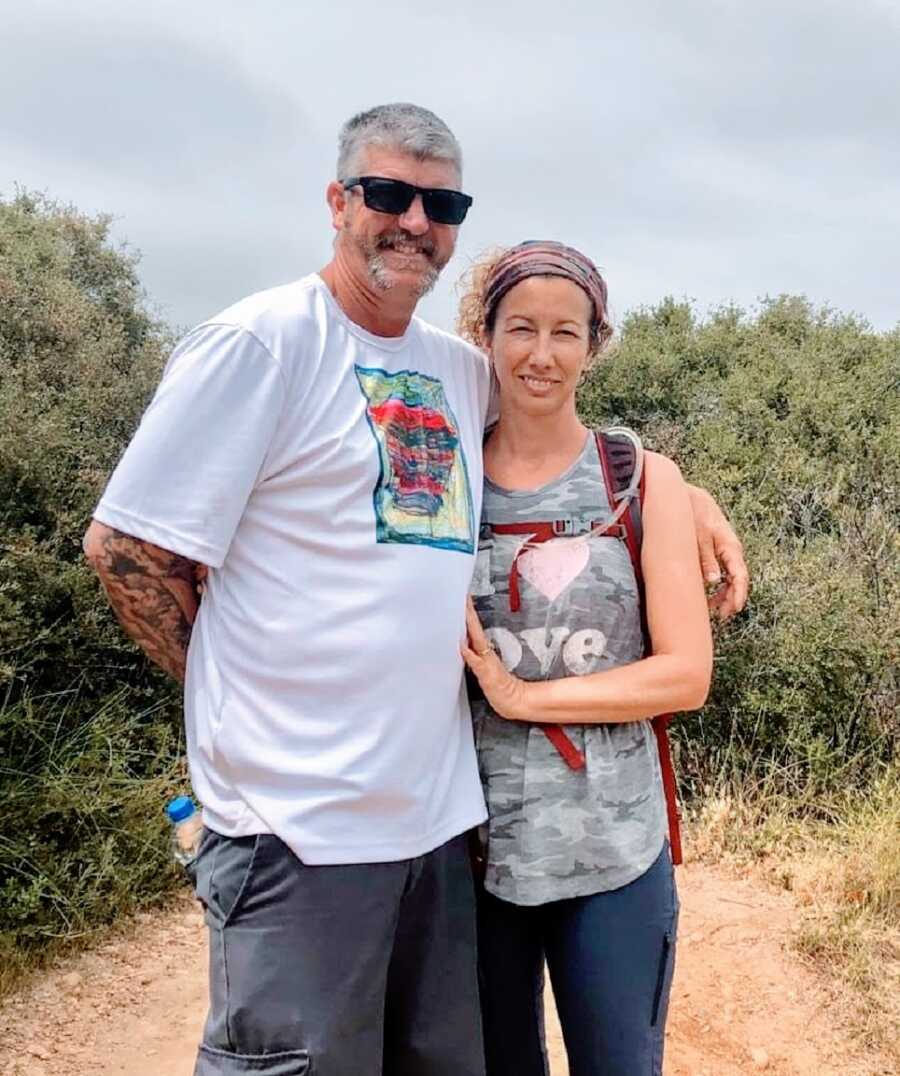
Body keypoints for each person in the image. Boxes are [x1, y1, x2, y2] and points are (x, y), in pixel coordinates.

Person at [82, 104, 746, 1076]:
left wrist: (685, 490)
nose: (413, 219)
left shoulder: (450, 369)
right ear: (338, 201)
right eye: (388, 193)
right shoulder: (264, 342)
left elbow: (551, 412)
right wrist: (231, 693)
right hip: (295, 827)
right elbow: (127, 547)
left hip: (440, 833)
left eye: (442, 202)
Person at [458, 241, 712, 1076]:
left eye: (566, 332)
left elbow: (684, 674)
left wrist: (519, 696)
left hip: (614, 849)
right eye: (521, 328)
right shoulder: (444, 483)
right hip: (470, 849)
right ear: (484, 334)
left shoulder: (639, 480)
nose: (541, 354)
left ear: (594, 343)